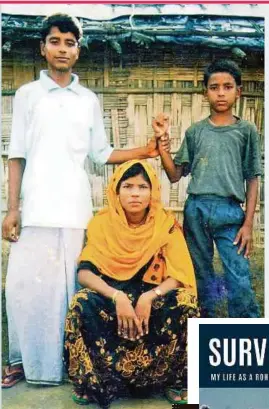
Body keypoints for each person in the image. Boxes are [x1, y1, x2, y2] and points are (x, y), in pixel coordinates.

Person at [1, 13, 169, 388]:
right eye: (56, 41)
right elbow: (17, 155)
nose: (62, 49)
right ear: (43, 47)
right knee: (24, 288)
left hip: (74, 208)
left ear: (78, 50)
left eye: (70, 42)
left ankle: (67, 364)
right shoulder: (28, 95)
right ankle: (20, 361)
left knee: (67, 290)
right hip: (36, 209)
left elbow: (101, 153)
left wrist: (146, 149)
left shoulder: (87, 99)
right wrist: (13, 209)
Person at [63, 160, 199, 408]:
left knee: (186, 302)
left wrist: (150, 296)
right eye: (127, 186)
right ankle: (94, 381)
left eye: (142, 187)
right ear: (116, 191)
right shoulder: (102, 223)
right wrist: (117, 296)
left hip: (152, 301)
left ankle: (174, 381)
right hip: (113, 298)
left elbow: (179, 274)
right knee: (80, 303)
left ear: (153, 191)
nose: (135, 193)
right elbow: (84, 273)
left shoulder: (165, 224)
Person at [153, 60, 262, 318]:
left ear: (239, 90)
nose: (221, 93)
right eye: (214, 87)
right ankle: (206, 327)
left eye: (227, 87)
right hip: (197, 210)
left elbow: (253, 179)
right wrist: (162, 144)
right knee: (199, 273)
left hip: (230, 213)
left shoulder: (246, 131)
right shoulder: (196, 132)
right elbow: (174, 174)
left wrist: (247, 224)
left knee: (239, 277)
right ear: (205, 92)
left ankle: (245, 338)